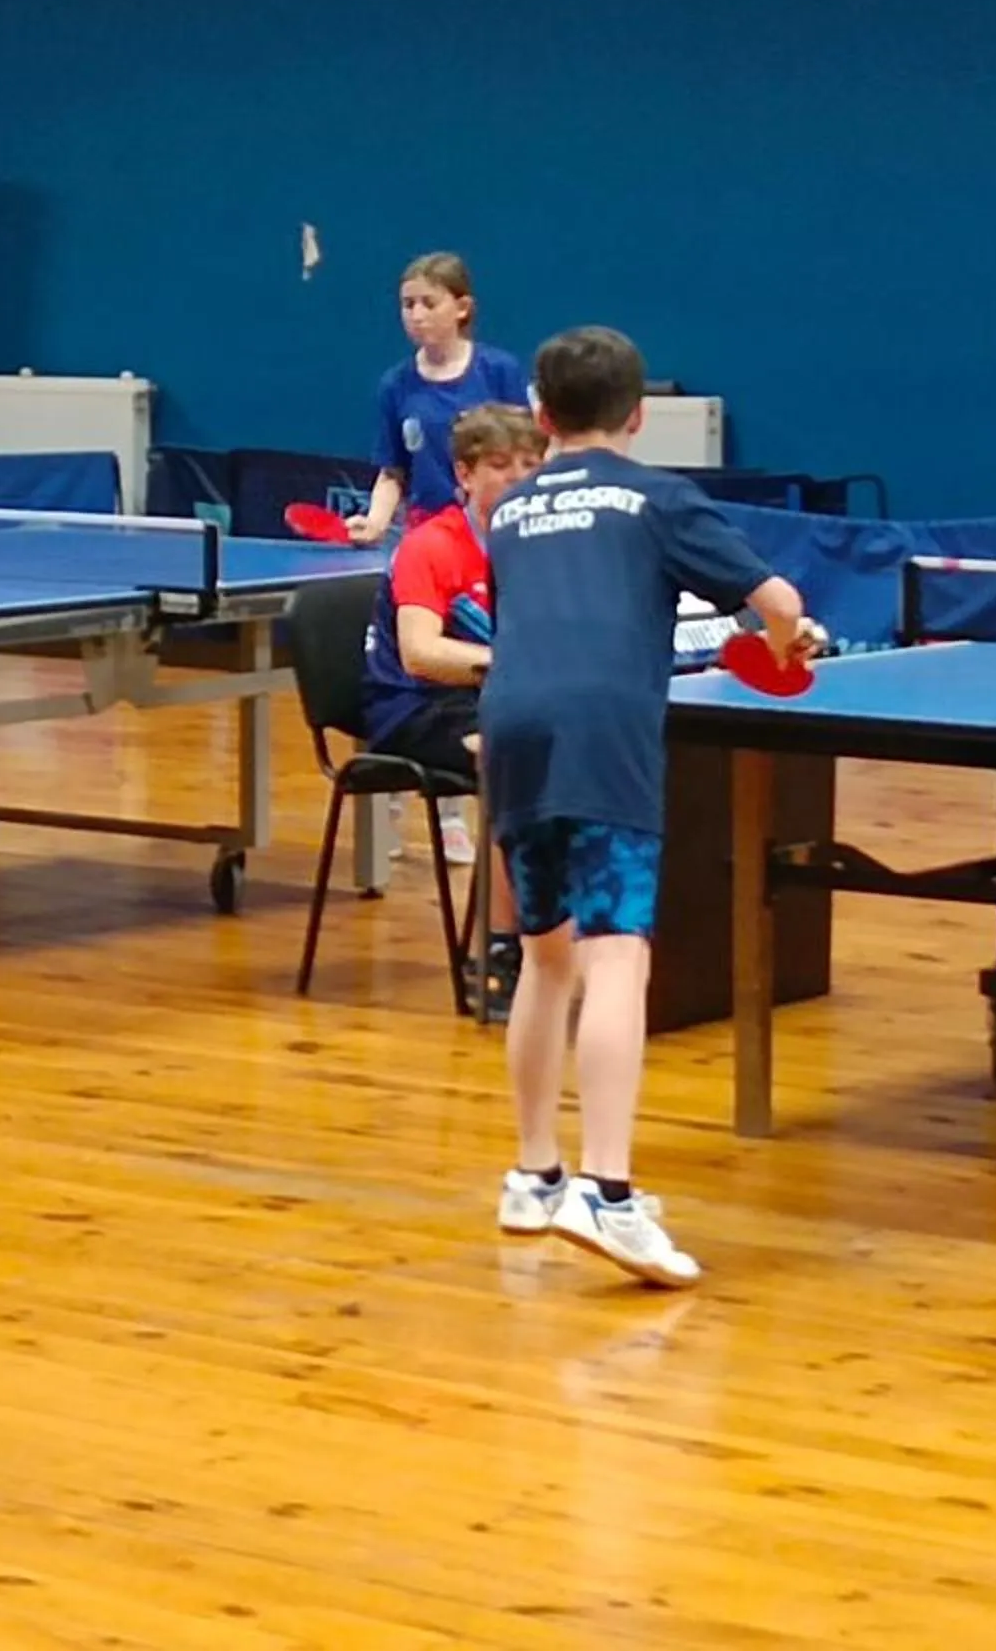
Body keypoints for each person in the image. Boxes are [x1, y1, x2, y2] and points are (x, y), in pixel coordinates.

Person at [482, 326, 816, 1288]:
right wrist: (789, 641)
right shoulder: (659, 495)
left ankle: (534, 1175)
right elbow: (776, 598)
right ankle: (610, 1195)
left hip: (511, 726)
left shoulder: (507, 509)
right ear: (639, 416)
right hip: (602, 732)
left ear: (540, 418)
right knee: (617, 955)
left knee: (544, 960)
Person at [356, 403, 546, 1019]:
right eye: (500, 465)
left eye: (529, 464)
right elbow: (420, 653)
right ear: (464, 473)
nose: (517, 477)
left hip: (502, 695)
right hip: (415, 707)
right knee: (512, 759)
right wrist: (509, 663)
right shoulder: (430, 545)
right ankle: (494, 952)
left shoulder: (542, 544)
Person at [353, 252, 530, 545]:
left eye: (429, 304)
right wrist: (374, 522)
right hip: (429, 536)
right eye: (408, 305)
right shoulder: (395, 385)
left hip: (499, 531)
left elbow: (529, 458)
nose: (417, 315)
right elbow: (392, 472)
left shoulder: (500, 371)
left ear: (462, 308)